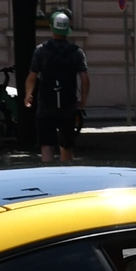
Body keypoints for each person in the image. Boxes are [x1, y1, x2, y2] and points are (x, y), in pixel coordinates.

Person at [25, 11, 90, 162]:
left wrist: (28, 94)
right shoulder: (77, 52)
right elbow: (85, 79)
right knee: (67, 145)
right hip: (68, 105)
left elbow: (32, 76)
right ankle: (66, 177)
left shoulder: (41, 50)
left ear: (52, 28)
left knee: (46, 145)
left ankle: (48, 177)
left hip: (46, 103)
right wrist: (83, 100)